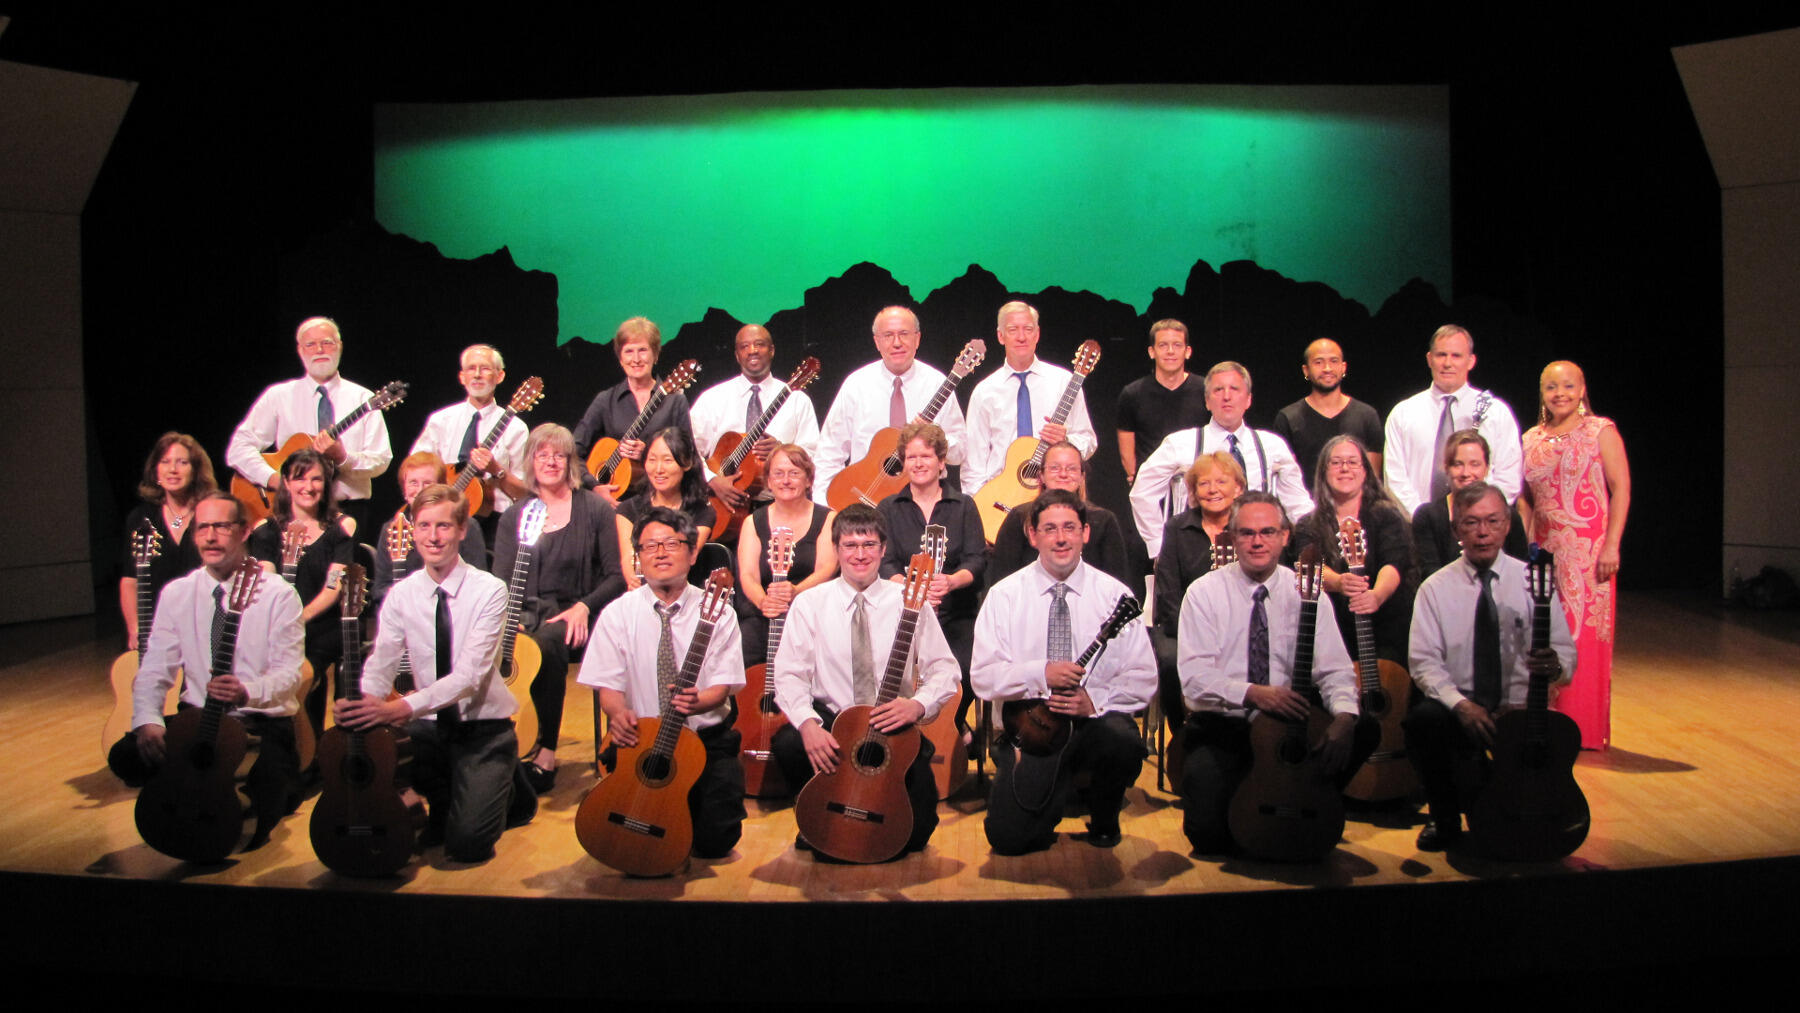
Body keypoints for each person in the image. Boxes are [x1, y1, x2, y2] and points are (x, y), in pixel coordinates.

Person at [1174, 491, 1376, 854]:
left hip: (1291, 727)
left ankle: (1308, 795)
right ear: (1233, 538)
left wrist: (1345, 717)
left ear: (1284, 536)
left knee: (1364, 726)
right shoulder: (1203, 593)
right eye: (1247, 533)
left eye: (1267, 532)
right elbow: (1194, 679)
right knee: (1208, 837)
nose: (1257, 541)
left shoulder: (1308, 591)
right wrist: (1253, 693)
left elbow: (1334, 669)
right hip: (1228, 725)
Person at [341, 483, 531, 862]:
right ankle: (450, 795)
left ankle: (507, 783)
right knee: (387, 757)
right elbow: (381, 661)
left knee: (466, 846)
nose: (433, 536)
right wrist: (364, 705)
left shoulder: (490, 590)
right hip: (429, 728)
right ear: (413, 531)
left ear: (462, 530)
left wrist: (399, 708)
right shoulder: (401, 594)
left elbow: (468, 677)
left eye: (443, 526)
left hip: (482, 731)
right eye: (424, 526)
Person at [110, 491, 304, 848]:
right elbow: (155, 667)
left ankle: (236, 789)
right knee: (125, 754)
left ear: (244, 531)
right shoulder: (178, 593)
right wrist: (148, 720)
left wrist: (247, 691)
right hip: (199, 718)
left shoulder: (278, 594)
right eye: (202, 528)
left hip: (259, 721)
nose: (210, 537)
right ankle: (190, 787)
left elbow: (290, 674)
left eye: (221, 527)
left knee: (257, 811)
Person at [771, 504, 960, 857]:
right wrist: (808, 724)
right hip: (835, 724)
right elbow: (789, 673)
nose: (860, 554)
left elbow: (945, 669)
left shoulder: (909, 601)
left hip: (892, 724)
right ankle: (817, 813)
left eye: (869, 544)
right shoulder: (810, 604)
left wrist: (917, 705)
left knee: (913, 836)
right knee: (789, 742)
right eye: (850, 545)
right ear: (836, 549)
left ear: (883, 548)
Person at [973, 490, 1156, 854]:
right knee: (1008, 839)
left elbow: (1144, 677)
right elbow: (983, 676)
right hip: (1033, 730)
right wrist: (1041, 674)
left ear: (1085, 533)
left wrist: (1094, 701)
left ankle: (1104, 816)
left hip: (1094, 726)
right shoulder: (1004, 596)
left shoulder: (1114, 595)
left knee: (1123, 739)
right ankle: (1049, 795)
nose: (1061, 538)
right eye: (1050, 529)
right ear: (1033, 535)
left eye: (1070, 528)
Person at [1405, 482, 1577, 850]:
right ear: (1456, 529)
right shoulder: (1434, 589)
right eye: (1471, 523)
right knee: (1423, 720)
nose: (1482, 532)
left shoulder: (1534, 582)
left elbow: (1565, 655)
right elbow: (1423, 663)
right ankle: (1445, 818)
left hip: (1521, 710)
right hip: (1464, 707)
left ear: (1507, 525)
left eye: (1492, 521)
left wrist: (1554, 666)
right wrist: (1462, 706)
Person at [578, 507, 746, 861]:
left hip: (704, 740)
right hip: (641, 740)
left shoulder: (719, 612)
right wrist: (617, 713)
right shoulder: (617, 613)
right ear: (638, 557)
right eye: (650, 546)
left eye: (671, 543)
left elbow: (722, 687)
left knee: (716, 841)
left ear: (692, 553)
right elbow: (607, 686)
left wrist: (697, 701)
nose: (660, 553)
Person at [492, 423, 626, 793]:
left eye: (559, 455)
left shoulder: (595, 509)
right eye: (542, 454)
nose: (550, 462)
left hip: (577, 613)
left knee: (546, 644)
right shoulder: (514, 516)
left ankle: (546, 750)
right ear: (530, 461)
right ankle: (503, 745)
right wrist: (510, 620)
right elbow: (501, 581)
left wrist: (584, 607)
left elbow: (616, 577)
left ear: (570, 462)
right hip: (524, 614)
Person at [1521, 361, 1630, 750]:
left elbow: (1621, 488)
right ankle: (1545, 724)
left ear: (1582, 389)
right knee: (1545, 634)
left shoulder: (1601, 431)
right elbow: (1523, 497)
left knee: (1582, 639)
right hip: (1544, 554)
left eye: (1568, 386)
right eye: (1551, 387)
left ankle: (1581, 729)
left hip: (1589, 555)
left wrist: (1612, 544)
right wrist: (1527, 540)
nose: (1560, 394)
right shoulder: (1530, 438)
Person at [226, 315, 392, 533]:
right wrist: (272, 479)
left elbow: (381, 459)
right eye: (311, 344)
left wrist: (343, 458)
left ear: (340, 346)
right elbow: (238, 449)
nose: (319, 350)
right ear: (300, 350)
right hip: (289, 510)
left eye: (327, 343)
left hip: (348, 510)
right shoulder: (278, 396)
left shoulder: (363, 399)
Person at [1129, 361, 1311, 557]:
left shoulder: (1272, 445)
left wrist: (1311, 543)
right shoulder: (1180, 443)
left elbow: (1297, 502)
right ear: (1207, 401)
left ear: (1248, 399)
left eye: (1234, 389)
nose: (1226, 396)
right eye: (1218, 390)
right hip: (1197, 550)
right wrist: (1160, 547)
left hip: (1258, 549)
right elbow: (1142, 493)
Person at [876, 422, 985, 730]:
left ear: (941, 461)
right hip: (902, 614)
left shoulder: (964, 505)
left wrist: (950, 581)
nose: (918, 463)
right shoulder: (889, 508)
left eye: (926, 456)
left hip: (954, 614)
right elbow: (885, 563)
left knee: (965, 671)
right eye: (911, 457)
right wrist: (913, 588)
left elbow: (977, 560)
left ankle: (953, 727)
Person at [246, 449, 354, 744]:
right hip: (275, 626)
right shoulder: (266, 531)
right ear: (286, 482)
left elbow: (333, 586)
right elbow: (266, 582)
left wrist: (299, 619)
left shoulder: (340, 529)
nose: (309, 486)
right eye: (300, 478)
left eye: (316, 479)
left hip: (321, 625)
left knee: (304, 669)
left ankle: (310, 744)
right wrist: (281, 623)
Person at [812, 305, 969, 504]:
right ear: (877, 342)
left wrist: (935, 436)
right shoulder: (856, 385)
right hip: (864, 499)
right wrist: (824, 507)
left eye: (904, 334)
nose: (897, 343)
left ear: (917, 338)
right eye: (888, 335)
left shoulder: (937, 383)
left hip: (925, 501)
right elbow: (829, 453)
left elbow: (959, 453)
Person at [1290, 435, 1416, 664]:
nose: (1345, 468)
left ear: (1365, 471)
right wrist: (1339, 582)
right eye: (1336, 462)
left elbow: (1395, 563)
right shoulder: (1308, 524)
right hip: (1333, 630)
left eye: (1352, 462)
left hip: (1386, 627)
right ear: (1323, 471)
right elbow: (1308, 567)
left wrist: (1377, 595)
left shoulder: (1386, 515)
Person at [1151, 452, 1247, 736]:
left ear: (1238, 488)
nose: (1213, 490)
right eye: (1204, 483)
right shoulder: (1177, 528)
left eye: (1221, 482)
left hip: (1242, 626)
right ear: (1193, 491)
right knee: (1170, 662)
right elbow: (1168, 591)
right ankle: (1183, 734)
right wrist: (1197, 635)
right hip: (1183, 627)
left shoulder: (1250, 528)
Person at [960, 301, 1098, 494]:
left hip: (1055, 493)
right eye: (1013, 330)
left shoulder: (1064, 381)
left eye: (1028, 329)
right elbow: (973, 462)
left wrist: (1066, 440)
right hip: (1001, 497)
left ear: (1037, 334)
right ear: (1001, 336)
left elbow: (1088, 442)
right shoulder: (984, 391)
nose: (1022, 337)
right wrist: (979, 504)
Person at [1383, 324, 1521, 515]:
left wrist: (1478, 516)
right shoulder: (1403, 413)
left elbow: (1508, 477)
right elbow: (1394, 478)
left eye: (1456, 356)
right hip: (1416, 524)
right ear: (1429, 359)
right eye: (1441, 355)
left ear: (1471, 361)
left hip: (1480, 525)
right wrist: (1424, 519)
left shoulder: (1496, 412)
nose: (1448, 363)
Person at [689, 324, 821, 517]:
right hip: (723, 507)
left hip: (781, 506)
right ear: (737, 355)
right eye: (745, 346)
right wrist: (712, 481)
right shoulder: (712, 399)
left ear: (772, 350)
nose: (752, 350)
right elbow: (689, 450)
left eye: (759, 344)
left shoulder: (797, 400)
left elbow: (815, 455)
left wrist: (782, 451)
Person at [409, 344, 530, 550]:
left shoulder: (516, 428)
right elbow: (415, 469)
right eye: (471, 368)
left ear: (500, 376)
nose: (477, 375)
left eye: (485, 368)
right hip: (441, 522)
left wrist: (497, 470)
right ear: (462, 377)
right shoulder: (440, 420)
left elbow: (525, 492)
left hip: (493, 524)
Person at [571, 316, 694, 500]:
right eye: (628, 351)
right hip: (610, 502)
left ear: (655, 355)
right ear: (620, 359)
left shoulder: (675, 401)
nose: (636, 359)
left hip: (661, 500)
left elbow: (688, 457)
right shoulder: (606, 400)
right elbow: (573, 450)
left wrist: (649, 454)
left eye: (643, 350)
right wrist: (594, 486)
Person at [736, 445, 837, 665]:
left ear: (808, 480)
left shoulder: (828, 518)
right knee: (745, 646)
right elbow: (748, 575)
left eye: (794, 473)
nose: (786, 481)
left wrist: (796, 592)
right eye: (778, 474)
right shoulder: (752, 521)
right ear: (769, 481)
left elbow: (827, 569)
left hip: (810, 612)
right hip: (763, 613)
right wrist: (764, 602)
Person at [989, 441, 1133, 587]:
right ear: (1041, 475)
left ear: (1082, 476)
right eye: (1054, 468)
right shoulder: (1019, 517)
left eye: (1071, 469)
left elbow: (1118, 585)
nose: (1063, 474)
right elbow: (1001, 580)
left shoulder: (1103, 521)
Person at [119, 433, 215, 647]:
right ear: (155, 471)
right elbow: (130, 580)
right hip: (156, 631)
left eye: (182, 462)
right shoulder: (141, 519)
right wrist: (134, 628)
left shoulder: (212, 515)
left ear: (196, 470)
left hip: (204, 627)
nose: (173, 469)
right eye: (165, 462)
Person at [371, 452, 489, 614]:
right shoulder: (391, 529)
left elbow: (477, 583)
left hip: (454, 613)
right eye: (413, 483)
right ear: (404, 489)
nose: (420, 490)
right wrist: (403, 597)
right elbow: (380, 588)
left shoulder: (466, 526)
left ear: (441, 488)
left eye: (427, 483)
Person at [1411, 430, 1528, 578]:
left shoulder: (1508, 516)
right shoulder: (1427, 516)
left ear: (1487, 468)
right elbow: (1430, 574)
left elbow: (1521, 573)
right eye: (1457, 464)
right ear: (1446, 468)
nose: (1466, 473)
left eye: (1475, 464)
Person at [1273, 338, 1385, 490]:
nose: (1327, 368)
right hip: (1305, 503)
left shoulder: (1367, 416)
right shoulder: (1288, 418)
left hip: (1356, 504)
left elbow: (1372, 478)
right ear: (1306, 370)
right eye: (1318, 362)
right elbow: (1285, 479)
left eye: (1334, 361)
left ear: (1343, 367)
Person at [1116, 319, 1209, 488]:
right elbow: (1126, 451)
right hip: (1151, 487)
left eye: (1177, 345)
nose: (1170, 351)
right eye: (1163, 345)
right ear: (1152, 352)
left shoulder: (1206, 390)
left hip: (1199, 485)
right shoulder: (1132, 394)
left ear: (1188, 352)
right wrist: (1139, 480)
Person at [616, 426, 717, 576]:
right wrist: (635, 581)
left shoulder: (703, 513)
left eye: (667, 460)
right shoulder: (628, 509)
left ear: (687, 463)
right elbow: (628, 560)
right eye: (652, 460)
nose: (658, 469)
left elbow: (685, 559)